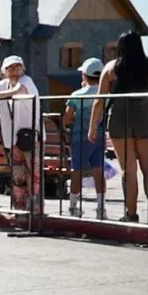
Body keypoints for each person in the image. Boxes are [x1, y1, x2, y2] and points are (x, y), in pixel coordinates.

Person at [88, 31, 148, 225]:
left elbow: (99, 100)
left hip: (119, 119)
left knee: (128, 170)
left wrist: (93, 126)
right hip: (144, 118)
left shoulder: (111, 68)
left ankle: (130, 213)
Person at [0, 56, 42, 219]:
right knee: (18, 175)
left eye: (17, 67)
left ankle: (34, 209)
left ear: (23, 69)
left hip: (30, 136)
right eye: (10, 68)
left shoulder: (26, 81)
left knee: (33, 174)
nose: (15, 70)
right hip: (13, 138)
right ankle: (20, 208)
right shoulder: (3, 85)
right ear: (4, 72)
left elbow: (17, 91)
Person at [63, 58, 107, 219]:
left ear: (84, 75)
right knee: (98, 171)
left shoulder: (77, 95)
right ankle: (101, 208)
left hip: (79, 137)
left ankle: (73, 206)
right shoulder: (104, 94)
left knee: (77, 171)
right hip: (99, 135)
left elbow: (67, 119)